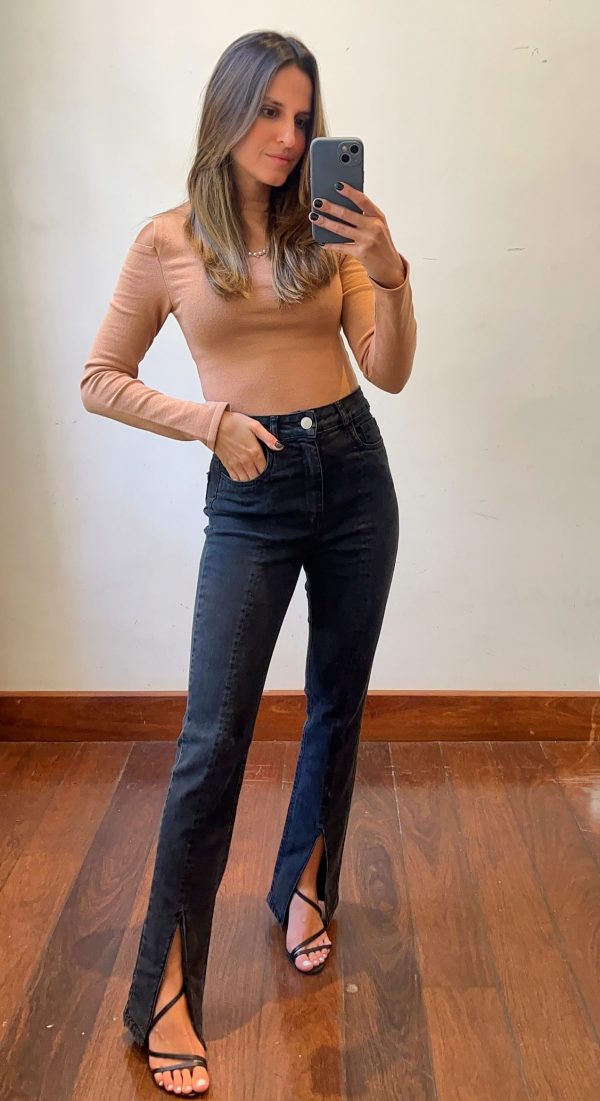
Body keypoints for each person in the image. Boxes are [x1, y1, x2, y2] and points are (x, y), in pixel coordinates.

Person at [80, 29, 417, 1098]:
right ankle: (165, 989)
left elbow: (390, 371)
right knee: (213, 737)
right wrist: (209, 421)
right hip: (252, 485)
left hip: (354, 471)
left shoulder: (331, 232)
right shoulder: (168, 240)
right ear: (227, 114)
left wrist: (391, 273)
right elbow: (100, 377)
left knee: (337, 703)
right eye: (268, 111)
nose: (286, 135)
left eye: (303, 117)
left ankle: (305, 886)